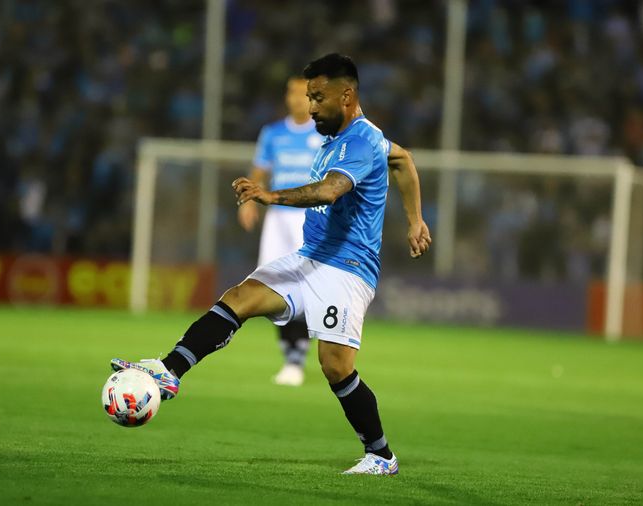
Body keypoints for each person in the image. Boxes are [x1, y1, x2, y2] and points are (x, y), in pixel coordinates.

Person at [111, 54, 431, 475]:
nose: (310, 107)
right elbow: (402, 160)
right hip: (312, 257)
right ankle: (170, 370)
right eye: (308, 97)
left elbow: (330, 191)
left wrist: (271, 196)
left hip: (347, 268)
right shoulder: (350, 138)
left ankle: (381, 455)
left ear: (346, 95)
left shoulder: (361, 140)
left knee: (335, 367)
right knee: (240, 297)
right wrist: (415, 220)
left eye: (318, 97)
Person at [238, 75, 324, 387]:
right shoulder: (273, 133)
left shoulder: (324, 132)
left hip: (310, 216)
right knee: (273, 284)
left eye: (302, 93)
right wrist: (248, 201)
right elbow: (260, 171)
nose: (296, 98)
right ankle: (290, 354)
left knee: (305, 286)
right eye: (291, 92)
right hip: (277, 216)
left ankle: (296, 357)